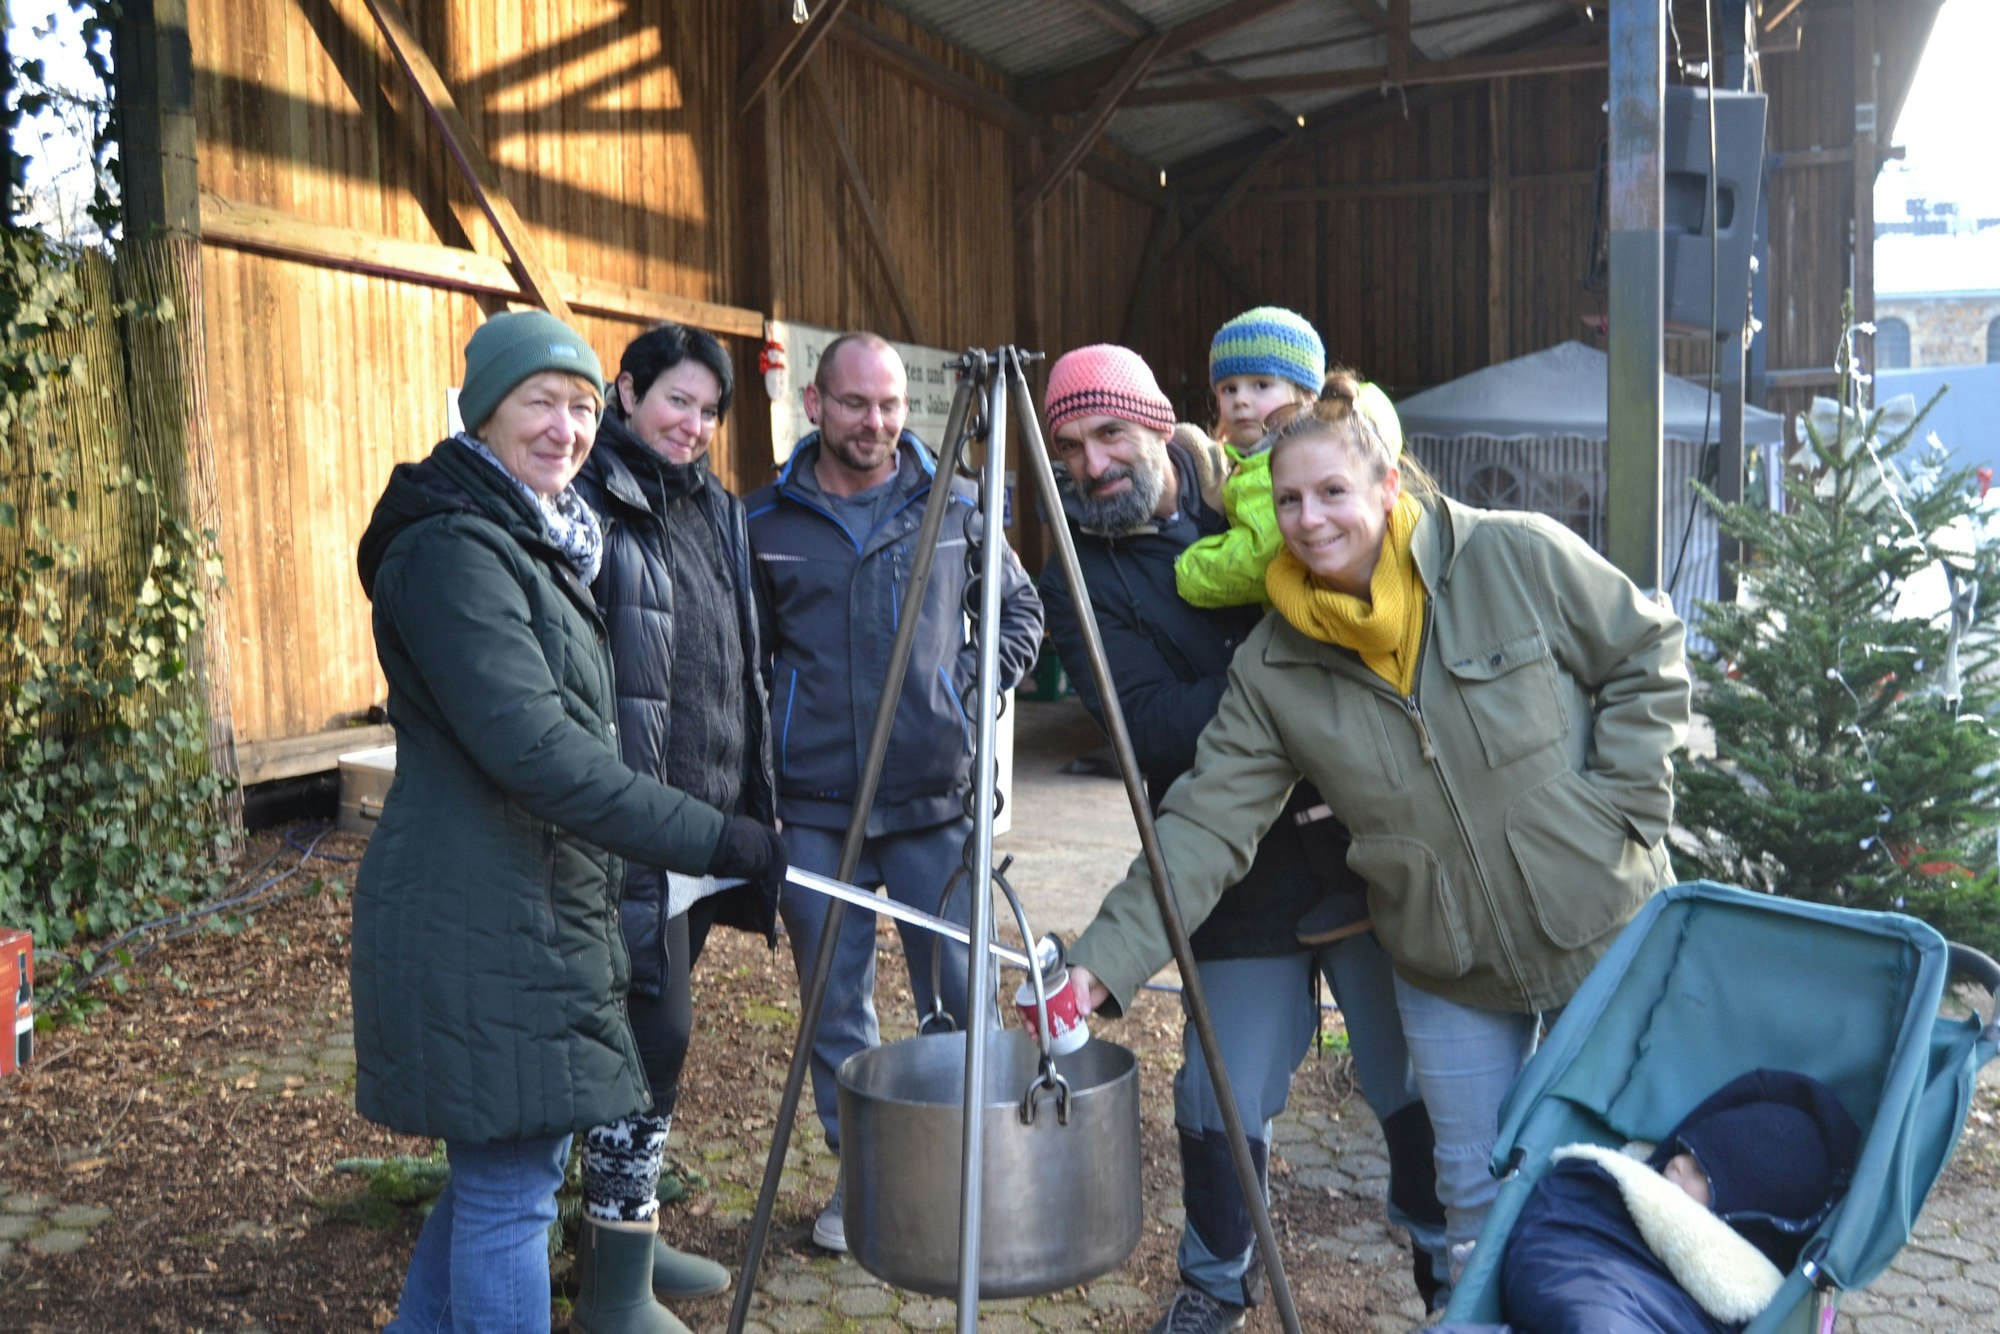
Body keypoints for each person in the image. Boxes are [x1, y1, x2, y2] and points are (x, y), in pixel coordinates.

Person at [1065, 395, 1690, 1286]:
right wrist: (1103, 960)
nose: (1310, 520)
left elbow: (1646, 650)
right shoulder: (1275, 668)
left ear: (1388, 485)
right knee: (1473, 1202)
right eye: (1288, 501)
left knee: (1625, 1175)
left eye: (1332, 491)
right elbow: (1204, 822)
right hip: (1449, 963)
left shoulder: (1509, 554)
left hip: (1605, 927)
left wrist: (1624, 810)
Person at [353, 309, 788, 1334]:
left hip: (534, 898)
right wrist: (710, 834)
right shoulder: (455, 552)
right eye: (538, 403)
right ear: (484, 412)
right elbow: (540, 751)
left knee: (496, 1177)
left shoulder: (534, 537)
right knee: (511, 1194)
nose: (564, 428)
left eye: (580, 408)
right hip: (481, 907)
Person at [1034, 345, 1447, 1334]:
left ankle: (1446, 1265)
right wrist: (1293, 668)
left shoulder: (1258, 486)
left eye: (1108, 434)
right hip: (1225, 860)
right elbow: (1151, 725)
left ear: (1157, 422)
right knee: (1218, 1088)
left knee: (1405, 1074)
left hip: (1360, 844)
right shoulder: (1075, 574)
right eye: (1067, 445)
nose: (1090, 464)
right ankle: (1214, 1280)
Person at [744, 332, 1044, 1251]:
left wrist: (958, 687)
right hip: (814, 810)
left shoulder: (954, 503)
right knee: (836, 1008)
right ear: (815, 405)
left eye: (889, 406)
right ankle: (865, 1184)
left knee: (955, 996)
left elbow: (1020, 611)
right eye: (855, 404)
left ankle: (966, 1178)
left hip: (930, 800)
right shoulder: (764, 523)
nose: (875, 422)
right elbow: (742, 662)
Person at [569, 321, 775, 1328]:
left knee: (658, 1037)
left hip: (702, 823)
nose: (690, 423)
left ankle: (630, 1241)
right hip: (627, 827)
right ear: (626, 391)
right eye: (673, 400)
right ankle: (610, 1285)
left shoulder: (717, 510)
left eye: (706, 408)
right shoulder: (589, 502)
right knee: (649, 1029)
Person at [1436, 1068, 1862, 1334]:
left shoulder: (1743, 1283)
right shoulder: (1610, 1178)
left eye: (1701, 1174)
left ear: (1741, 1219)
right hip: (1582, 1271)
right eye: (1685, 1152)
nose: (1676, 1167)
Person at [1174, 305, 1403, 611]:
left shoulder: (1279, 465)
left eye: (1262, 385)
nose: (1240, 400)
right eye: (1229, 388)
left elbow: (1260, 557)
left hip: (1308, 620)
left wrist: (1186, 568)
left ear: (1307, 394)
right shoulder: (1249, 459)